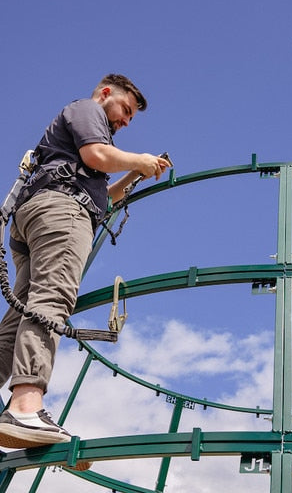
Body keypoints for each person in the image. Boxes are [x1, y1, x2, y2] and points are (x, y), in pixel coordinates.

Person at [0, 74, 171, 451]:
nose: (126, 120)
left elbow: (102, 195)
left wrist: (133, 173)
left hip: (40, 213)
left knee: (20, 315)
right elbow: (97, 156)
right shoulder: (87, 109)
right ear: (106, 93)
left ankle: (18, 401)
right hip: (61, 213)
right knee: (53, 299)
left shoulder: (84, 141)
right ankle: (26, 406)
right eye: (126, 110)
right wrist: (140, 159)